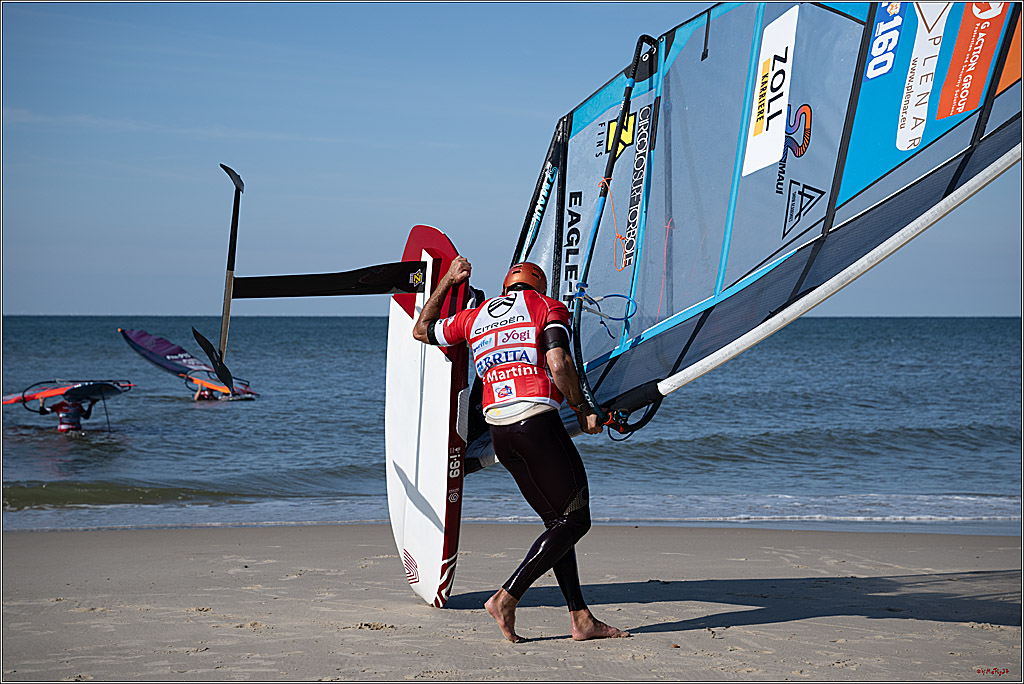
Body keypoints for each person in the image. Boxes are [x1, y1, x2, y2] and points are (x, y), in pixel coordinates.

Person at [412, 256, 629, 643]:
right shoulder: (547, 307)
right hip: (536, 425)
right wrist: (582, 410)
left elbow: (421, 330)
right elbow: (559, 363)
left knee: (557, 521)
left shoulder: (476, 316)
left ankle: (581, 619)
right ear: (539, 285)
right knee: (576, 521)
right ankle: (506, 597)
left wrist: (446, 281)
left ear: (507, 285)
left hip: (500, 435)